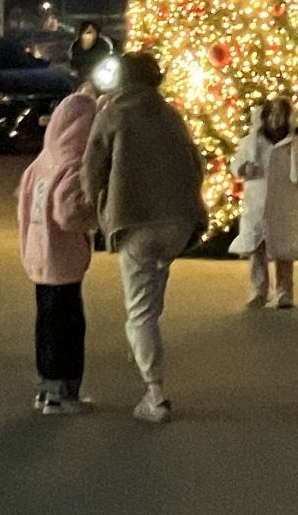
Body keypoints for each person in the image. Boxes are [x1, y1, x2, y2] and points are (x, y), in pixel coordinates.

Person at [82, 51, 206, 424]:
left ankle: (155, 392)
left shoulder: (114, 111)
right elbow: (195, 163)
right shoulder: (170, 114)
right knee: (153, 295)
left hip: (135, 219)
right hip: (177, 221)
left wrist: (96, 207)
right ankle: (148, 362)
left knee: (140, 312)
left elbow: (92, 168)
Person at [18, 90, 98, 415]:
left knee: (46, 322)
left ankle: (46, 387)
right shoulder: (73, 165)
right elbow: (68, 214)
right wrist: (94, 217)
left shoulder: (41, 162)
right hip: (62, 257)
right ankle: (63, 392)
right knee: (68, 324)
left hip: (37, 255)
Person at [229, 96, 298, 309]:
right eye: (272, 114)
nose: (275, 119)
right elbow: (236, 163)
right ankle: (259, 290)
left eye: (280, 115)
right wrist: (243, 169)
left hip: (283, 205)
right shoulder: (251, 143)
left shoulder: (295, 147)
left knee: (283, 250)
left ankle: (284, 291)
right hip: (257, 204)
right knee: (257, 248)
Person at [69, 22, 115, 94]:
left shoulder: (104, 45)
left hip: (100, 79)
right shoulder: (76, 46)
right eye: (87, 32)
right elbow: (74, 63)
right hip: (81, 78)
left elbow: (109, 61)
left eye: (91, 32)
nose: (89, 36)